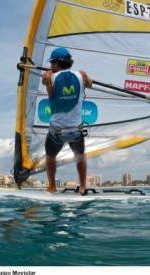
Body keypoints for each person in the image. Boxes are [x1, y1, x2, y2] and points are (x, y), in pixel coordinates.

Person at [41, 47, 93, 195]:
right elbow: (90, 84)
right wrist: (87, 79)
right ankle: (83, 186)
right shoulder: (81, 75)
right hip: (75, 131)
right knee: (80, 157)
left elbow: (45, 79)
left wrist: (51, 72)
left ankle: (52, 186)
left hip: (56, 131)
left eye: (52, 63)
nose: (51, 66)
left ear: (57, 62)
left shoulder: (48, 77)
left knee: (50, 157)